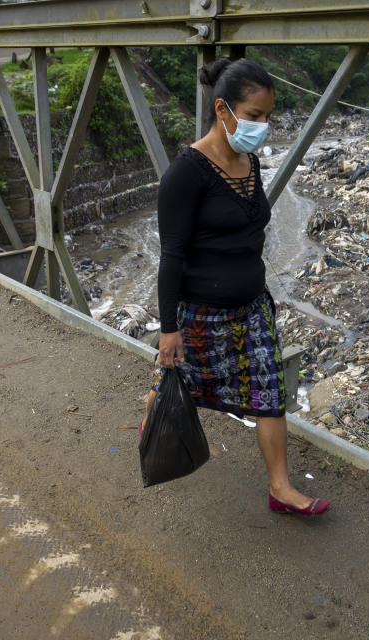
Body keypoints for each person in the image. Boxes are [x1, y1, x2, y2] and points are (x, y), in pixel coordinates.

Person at [139, 58, 330, 516]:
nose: (262, 127)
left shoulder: (250, 163)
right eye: (254, 116)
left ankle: (281, 488)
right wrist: (169, 328)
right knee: (178, 385)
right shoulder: (185, 174)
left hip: (252, 308)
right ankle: (153, 427)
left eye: (267, 117)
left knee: (269, 395)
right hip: (200, 313)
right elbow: (171, 257)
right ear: (223, 110)